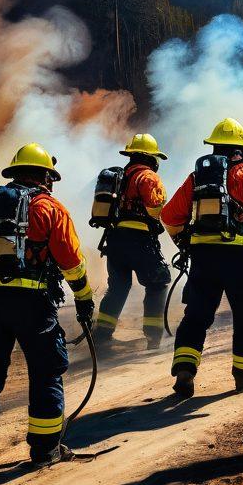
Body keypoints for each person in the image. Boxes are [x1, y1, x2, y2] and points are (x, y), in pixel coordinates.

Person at [0, 143, 94, 476]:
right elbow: (71, 262)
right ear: (46, 176)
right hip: (34, 306)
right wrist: (84, 296)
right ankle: (45, 451)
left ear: (14, 173)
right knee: (45, 374)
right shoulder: (51, 209)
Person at [161, 118, 243, 397]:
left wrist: (183, 240)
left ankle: (184, 371)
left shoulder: (196, 178)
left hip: (203, 258)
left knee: (195, 316)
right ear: (241, 150)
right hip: (241, 259)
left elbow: (169, 216)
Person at [93, 133, 171, 349]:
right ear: (151, 158)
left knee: (118, 287)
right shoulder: (148, 177)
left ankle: (102, 337)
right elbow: (155, 208)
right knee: (157, 283)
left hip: (115, 240)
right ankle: (154, 338)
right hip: (139, 240)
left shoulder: (120, 177)